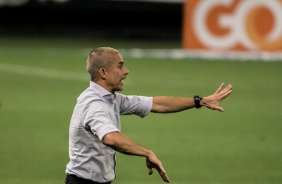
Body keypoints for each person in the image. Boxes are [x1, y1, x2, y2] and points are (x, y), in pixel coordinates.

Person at [65, 47, 233, 184]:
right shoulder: (94, 104)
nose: (126, 71)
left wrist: (199, 101)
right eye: (120, 66)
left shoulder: (111, 99)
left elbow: (157, 104)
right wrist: (147, 153)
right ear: (103, 72)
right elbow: (111, 138)